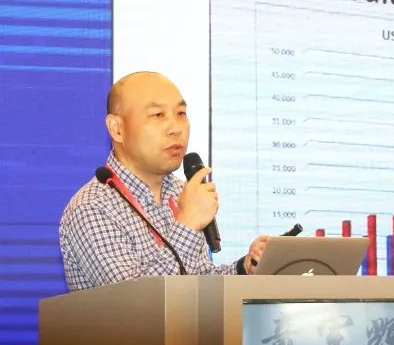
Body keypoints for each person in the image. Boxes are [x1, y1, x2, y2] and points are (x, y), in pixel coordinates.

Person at [59, 71, 268, 291]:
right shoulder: (92, 207)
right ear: (117, 129)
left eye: (181, 113)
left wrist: (244, 268)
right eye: (158, 115)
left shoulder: (179, 191)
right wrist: (187, 223)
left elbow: (197, 283)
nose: (176, 128)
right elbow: (135, 301)